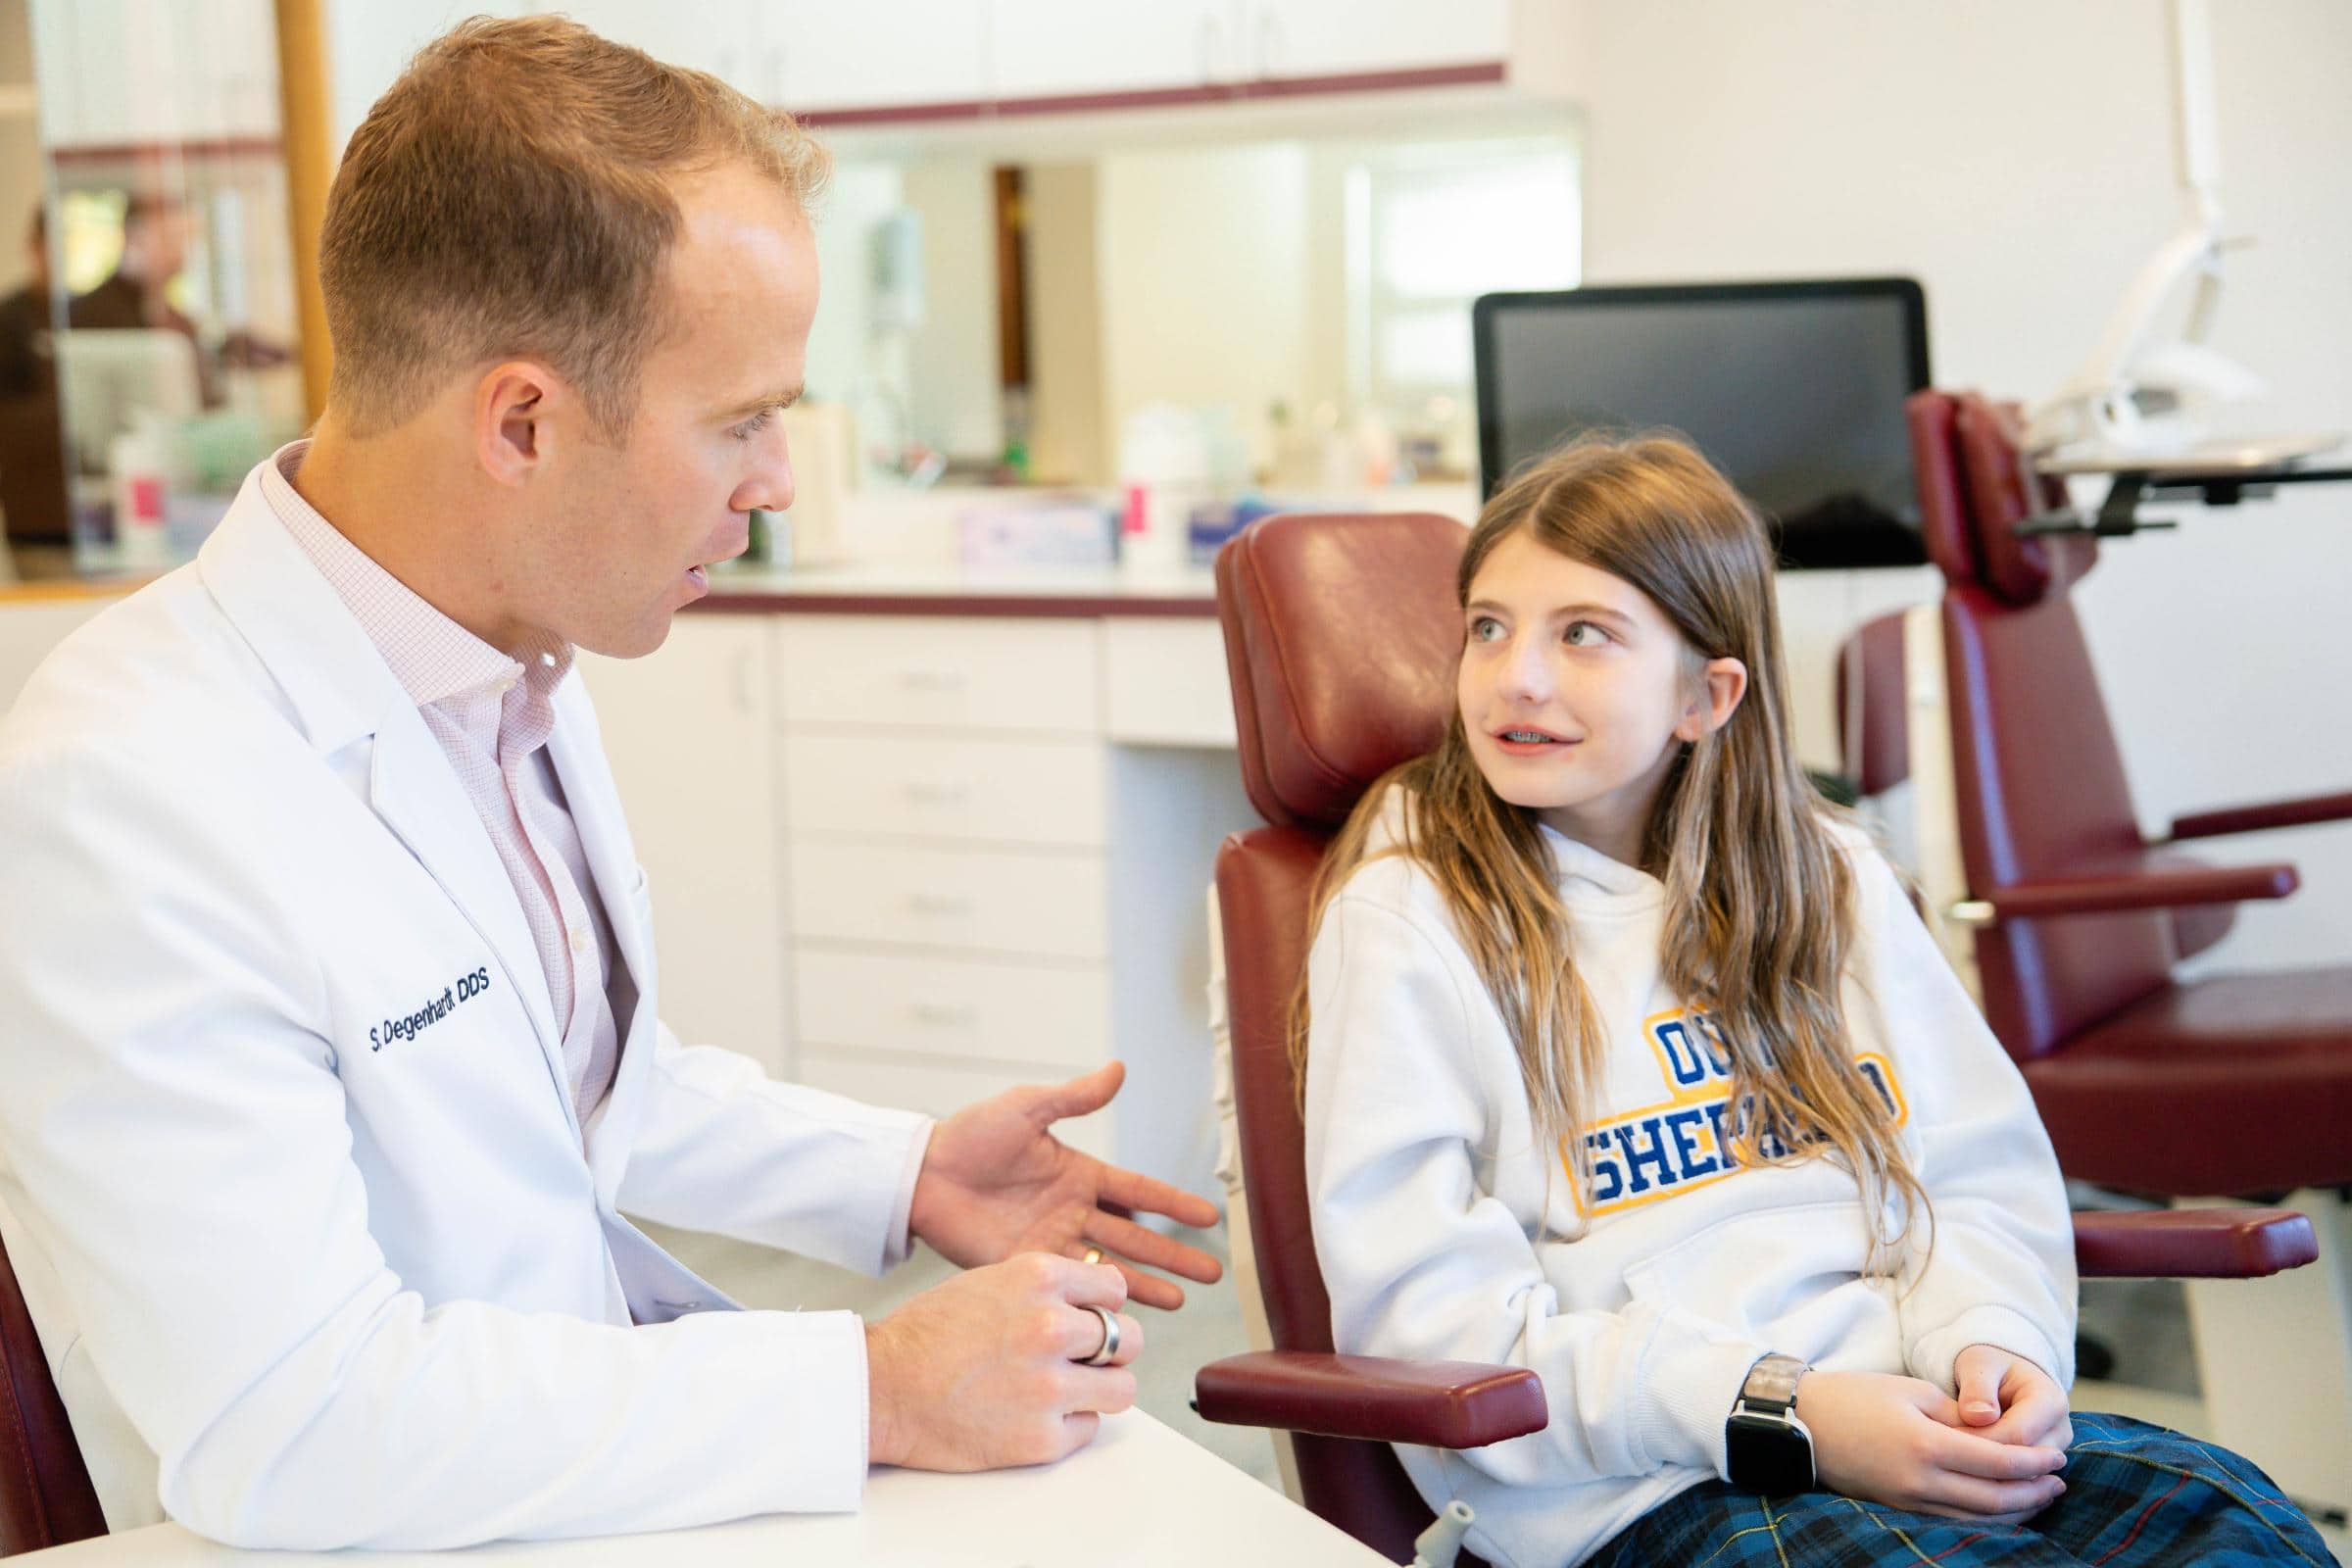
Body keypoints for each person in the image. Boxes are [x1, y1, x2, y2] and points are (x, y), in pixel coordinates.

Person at [0, 17, 1220, 1551]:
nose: (778, 481)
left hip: (570, 1486)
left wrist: (902, 1173)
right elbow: (295, 1429)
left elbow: (558, 1091)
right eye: (743, 419)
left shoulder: (501, 658)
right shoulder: (127, 792)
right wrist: (876, 1386)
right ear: (523, 421)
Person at [1298, 434, 2334, 1567]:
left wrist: (1998, 1344)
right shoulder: (1412, 923)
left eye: (1582, 632)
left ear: (1709, 693)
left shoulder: (1830, 878)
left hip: (1912, 1418)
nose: (1517, 676)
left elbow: (1975, 1181)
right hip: (1655, 1487)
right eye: (1488, 626)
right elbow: (1434, 1335)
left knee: (2243, 1525)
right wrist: (1792, 1412)